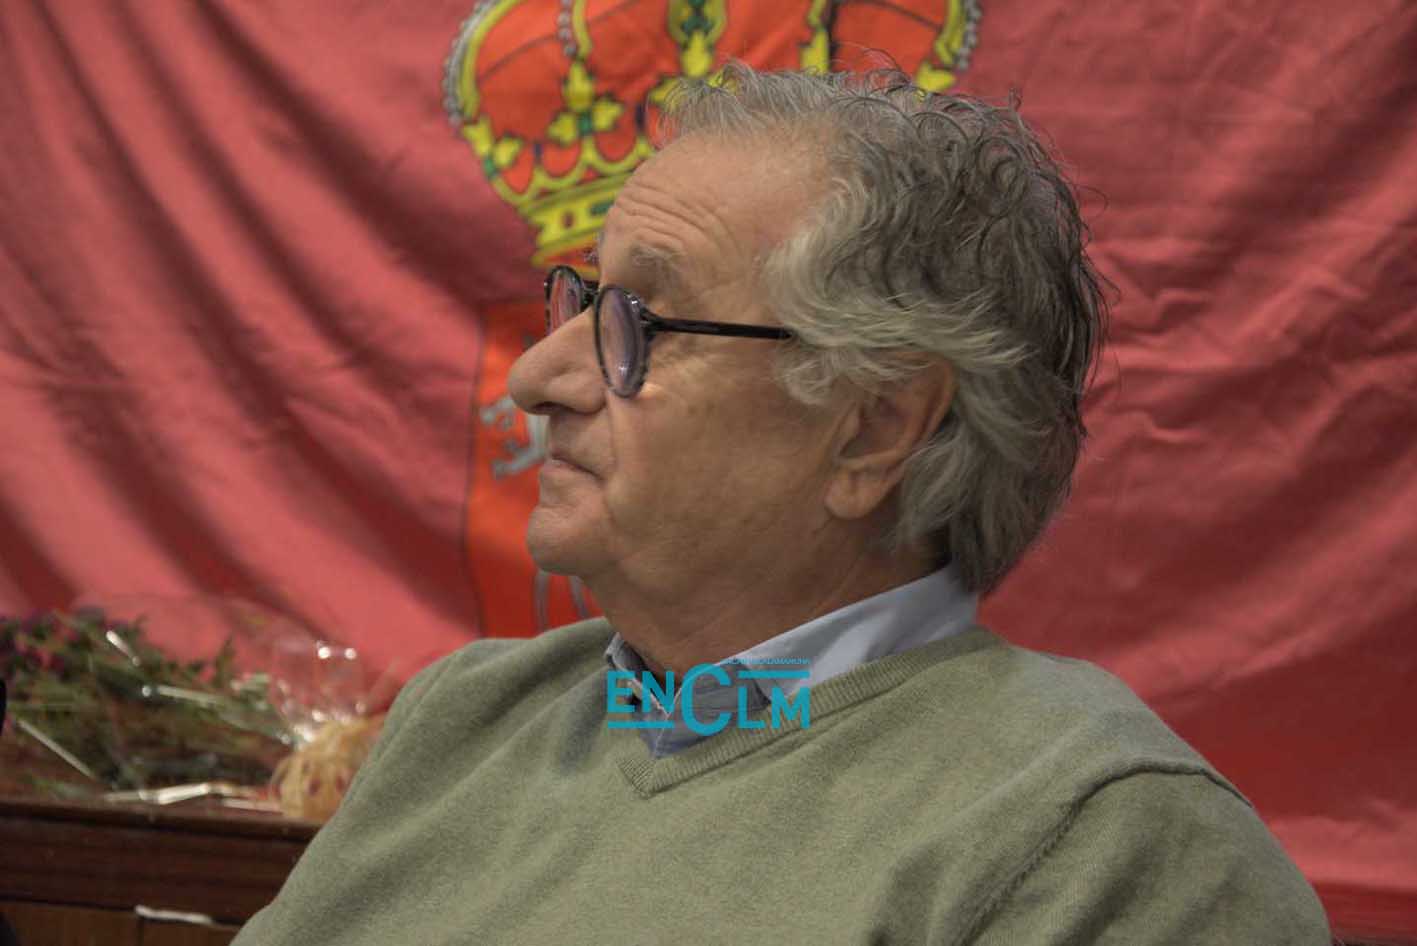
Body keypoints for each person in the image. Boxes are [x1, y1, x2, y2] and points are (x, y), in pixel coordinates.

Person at [233, 64, 1330, 944]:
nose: (535, 380)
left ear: (872, 428)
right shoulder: (468, 718)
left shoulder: (1109, 844)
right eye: (584, 301)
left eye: (639, 325)